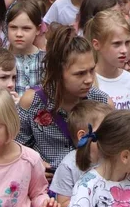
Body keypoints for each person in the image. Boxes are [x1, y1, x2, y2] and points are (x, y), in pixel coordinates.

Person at [17, 25, 110, 171]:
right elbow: (16, 145)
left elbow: (114, 148)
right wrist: (34, 164)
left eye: (91, 70)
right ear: (58, 72)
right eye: (79, 74)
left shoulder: (102, 103)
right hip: (46, 182)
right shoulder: (32, 101)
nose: (89, 79)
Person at [86, 9, 130, 116]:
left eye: (127, 42)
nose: (124, 50)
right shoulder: (87, 82)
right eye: (116, 44)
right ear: (96, 44)